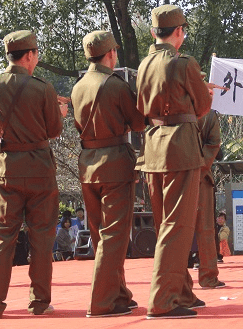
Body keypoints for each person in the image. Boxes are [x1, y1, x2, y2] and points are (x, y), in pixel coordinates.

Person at [0, 30, 65, 318]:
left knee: (2, 237)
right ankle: (40, 302)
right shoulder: (42, 88)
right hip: (40, 168)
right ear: (29, 55)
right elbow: (54, 130)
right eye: (36, 54)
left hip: (7, 169)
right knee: (41, 238)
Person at [136, 5, 212, 319]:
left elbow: (140, 105)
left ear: (155, 32)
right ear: (178, 32)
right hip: (180, 148)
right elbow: (204, 105)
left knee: (167, 222)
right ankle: (162, 300)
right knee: (177, 226)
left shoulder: (143, 64)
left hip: (153, 148)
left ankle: (180, 291)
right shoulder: (184, 63)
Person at [71, 30, 145, 317]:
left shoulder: (78, 87)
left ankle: (119, 294)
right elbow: (138, 122)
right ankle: (101, 302)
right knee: (114, 235)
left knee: (101, 235)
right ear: (111, 54)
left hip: (87, 163)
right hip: (114, 162)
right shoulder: (115, 85)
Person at [194, 84, 225, 289]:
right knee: (205, 228)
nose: (211, 97)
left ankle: (175, 280)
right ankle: (208, 276)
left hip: (175, 175)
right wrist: (200, 168)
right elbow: (213, 145)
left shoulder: (176, 110)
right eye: (208, 94)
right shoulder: (209, 116)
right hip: (201, 176)